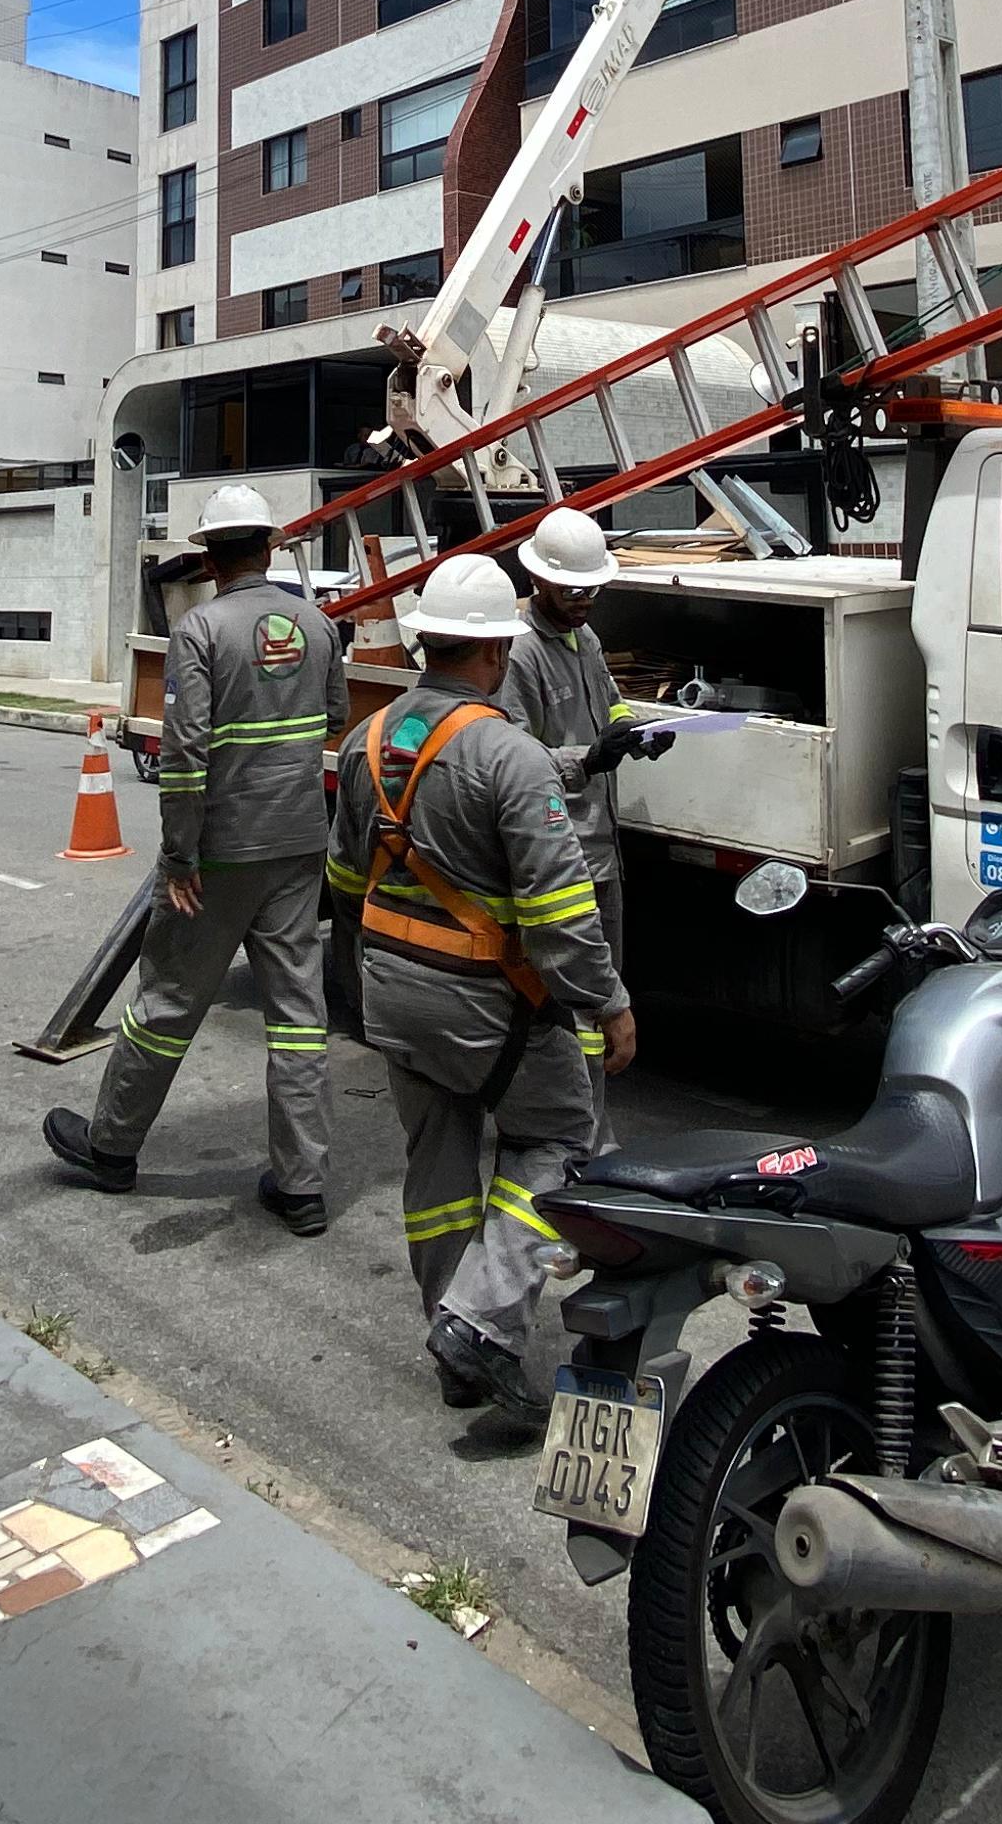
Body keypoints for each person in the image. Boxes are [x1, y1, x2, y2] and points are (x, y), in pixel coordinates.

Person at [338, 550, 634, 1420]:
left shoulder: (365, 742)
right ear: (498, 654)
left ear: (427, 640)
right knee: (560, 1142)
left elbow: (346, 884)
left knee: (437, 1171)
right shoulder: (511, 759)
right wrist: (609, 1003)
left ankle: (454, 1344)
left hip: (394, 992)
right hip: (492, 1008)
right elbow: (562, 917)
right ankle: (480, 1321)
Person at [44, 483, 341, 1234]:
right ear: (269, 546)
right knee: (301, 1019)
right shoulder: (317, 624)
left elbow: (183, 756)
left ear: (208, 555)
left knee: (169, 1002)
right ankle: (302, 1185)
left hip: (218, 853)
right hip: (299, 844)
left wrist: (178, 858)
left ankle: (111, 1147)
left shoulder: (201, 630)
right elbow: (334, 716)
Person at [499, 508, 671, 1145]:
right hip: (556, 849)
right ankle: (571, 1137)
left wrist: (634, 730)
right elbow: (510, 756)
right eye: (573, 591)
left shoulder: (586, 641)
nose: (583, 603)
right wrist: (585, 758)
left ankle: (592, 1133)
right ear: (540, 582)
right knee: (566, 1001)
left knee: (605, 997)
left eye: (592, 591)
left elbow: (608, 703)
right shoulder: (519, 653)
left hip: (601, 846)